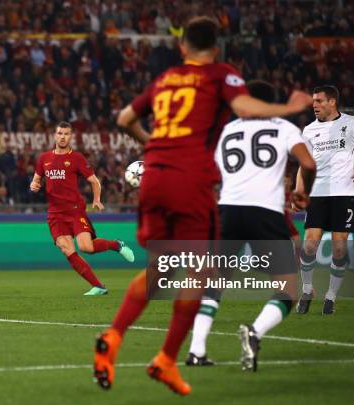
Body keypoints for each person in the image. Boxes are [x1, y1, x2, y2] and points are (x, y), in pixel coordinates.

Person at [94, 17, 312, 395]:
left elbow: (124, 119)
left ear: (181, 47)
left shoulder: (164, 79)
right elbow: (243, 106)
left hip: (155, 177)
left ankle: (114, 335)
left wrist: (155, 146)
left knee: (163, 269)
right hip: (189, 181)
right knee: (201, 274)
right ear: (216, 47)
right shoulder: (219, 74)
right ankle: (165, 360)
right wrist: (287, 106)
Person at [185, 80, 316, 371]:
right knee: (287, 291)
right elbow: (308, 163)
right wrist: (303, 191)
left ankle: (196, 350)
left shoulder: (227, 132)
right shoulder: (283, 128)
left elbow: (213, 172)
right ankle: (255, 332)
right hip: (265, 213)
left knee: (214, 283)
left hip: (228, 211)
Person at [294, 85, 354, 315]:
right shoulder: (309, 131)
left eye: (319, 101)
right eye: (313, 101)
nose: (314, 105)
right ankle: (308, 290)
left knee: (339, 248)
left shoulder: (352, 123)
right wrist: (299, 188)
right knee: (310, 243)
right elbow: (304, 165)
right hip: (318, 193)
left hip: (344, 194)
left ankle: (331, 296)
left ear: (332, 102)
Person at [30, 121, 135, 296]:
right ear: (55, 136)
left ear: (70, 137)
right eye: (60, 133)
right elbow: (36, 179)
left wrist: (96, 199)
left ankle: (116, 245)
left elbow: (95, 181)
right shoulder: (44, 159)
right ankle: (99, 286)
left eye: (66, 134)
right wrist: (34, 185)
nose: (62, 137)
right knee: (66, 249)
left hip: (74, 210)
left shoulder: (77, 158)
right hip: (55, 214)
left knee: (86, 247)